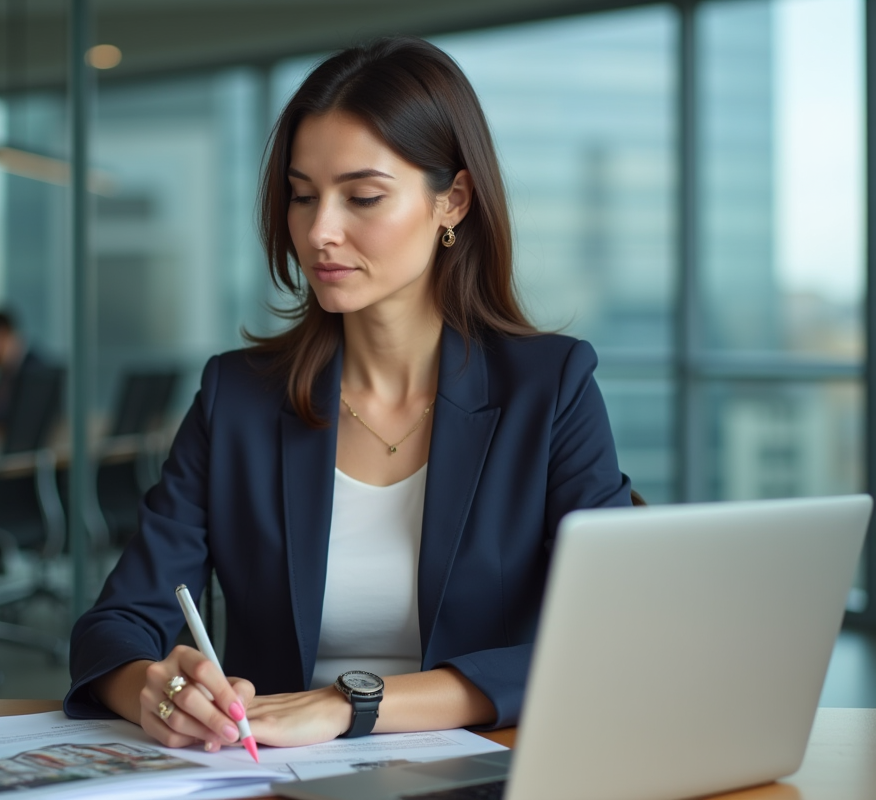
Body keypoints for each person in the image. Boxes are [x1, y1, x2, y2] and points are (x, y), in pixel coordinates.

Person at [64, 37, 632, 751]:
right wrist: (158, 689)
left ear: (451, 200)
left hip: (491, 768)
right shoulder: (235, 399)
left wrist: (351, 704)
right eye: (302, 196)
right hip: (270, 773)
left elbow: (613, 639)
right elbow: (112, 628)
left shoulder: (550, 389)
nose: (319, 231)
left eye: (362, 196)